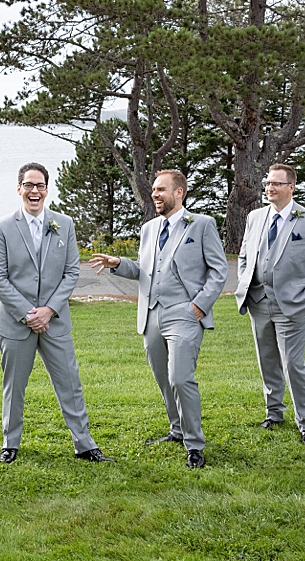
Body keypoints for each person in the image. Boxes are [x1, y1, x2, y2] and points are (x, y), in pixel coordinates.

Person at [89, 170, 227, 469]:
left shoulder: (202, 225)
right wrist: (119, 264)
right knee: (164, 380)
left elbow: (219, 271)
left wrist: (200, 305)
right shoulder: (150, 228)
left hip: (185, 313)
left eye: (161, 189)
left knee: (181, 378)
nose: (155, 194)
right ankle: (176, 430)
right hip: (151, 314)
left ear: (179, 192)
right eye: (153, 189)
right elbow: (146, 269)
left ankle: (194, 444)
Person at [0, 162, 113, 465]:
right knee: (14, 385)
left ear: (47, 189)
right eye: (28, 185)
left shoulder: (64, 224)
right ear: (19, 189)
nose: (34, 191)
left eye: (40, 185)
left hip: (54, 321)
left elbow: (72, 272)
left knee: (70, 382)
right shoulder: (3, 227)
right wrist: (27, 313)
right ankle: (11, 443)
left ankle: (84, 444)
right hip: (16, 323)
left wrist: (49, 310)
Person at [234, 163, 305, 444]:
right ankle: (274, 412)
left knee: (293, 363)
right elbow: (244, 256)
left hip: (293, 306)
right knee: (267, 361)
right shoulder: (255, 217)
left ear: (291, 187)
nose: (269, 188)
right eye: (268, 183)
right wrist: (246, 283)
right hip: (258, 301)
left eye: (276, 183)